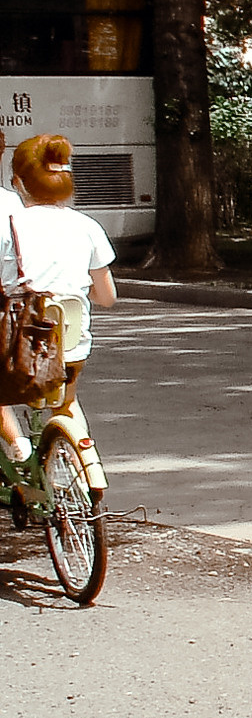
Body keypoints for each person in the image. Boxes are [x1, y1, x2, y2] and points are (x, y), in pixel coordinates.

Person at [0, 133, 115, 472]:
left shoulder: (10, 227)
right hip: (72, 349)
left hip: (19, 348)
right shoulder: (88, 227)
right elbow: (107, 297)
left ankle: (19, 448)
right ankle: (78, 471)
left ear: (19, 183)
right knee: (65, 404)